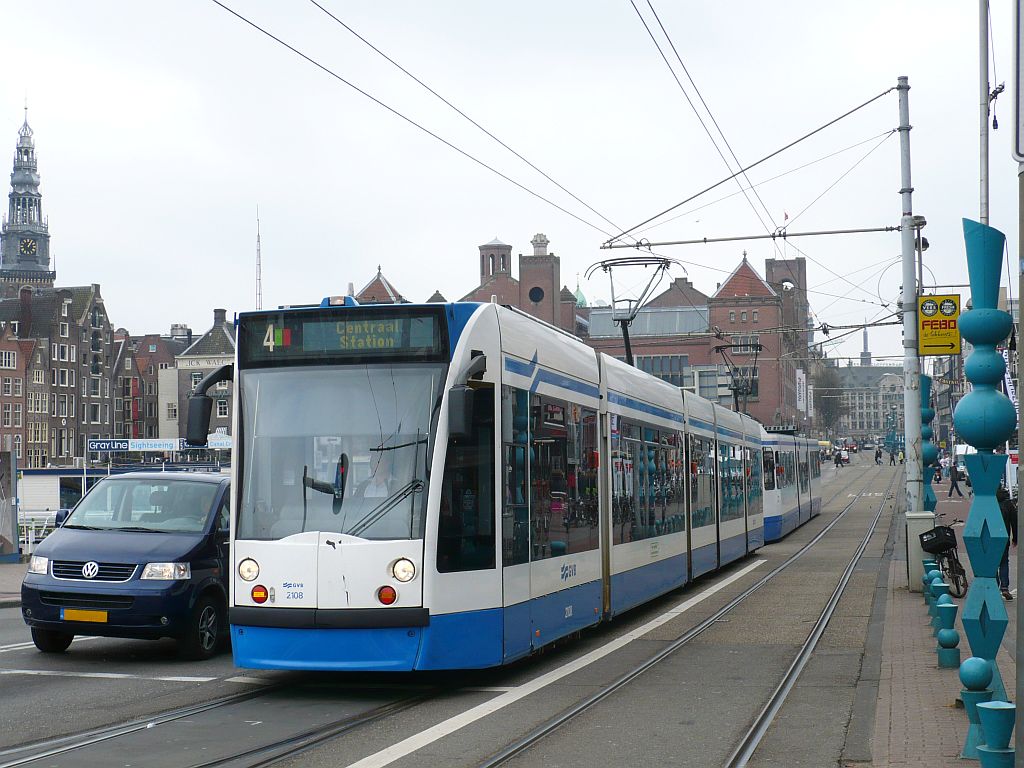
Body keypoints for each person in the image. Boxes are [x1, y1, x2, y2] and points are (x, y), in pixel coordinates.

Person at [997, 486, 1018, 600]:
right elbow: (1014, 521)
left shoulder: (990, 502)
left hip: (990, 538)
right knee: (1004, 562)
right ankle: (1004, 587)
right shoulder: (1008, 504)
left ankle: (994, 587)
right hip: (1004, 536)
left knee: (992, 563)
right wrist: (1015, 538)